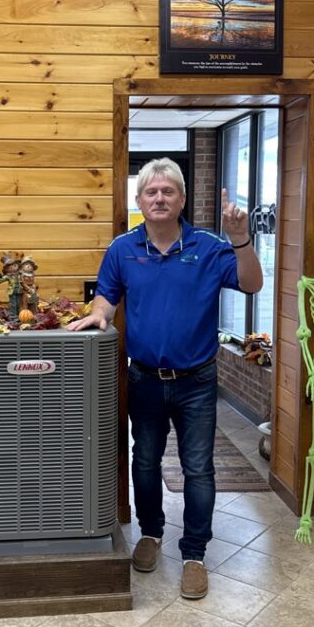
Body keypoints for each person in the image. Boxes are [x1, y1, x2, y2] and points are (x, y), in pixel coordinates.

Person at [68, 157, 263, 599]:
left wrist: (241, 240)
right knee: (144, 461)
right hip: (145, 380)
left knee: (197, 469)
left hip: (197, 380)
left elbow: (251, 284)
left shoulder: (211, 247)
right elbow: (106, 295)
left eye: (167, 192)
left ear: (182, 199)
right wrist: (97, 316)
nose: (159, 198)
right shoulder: (123, 248)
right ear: (139, 201)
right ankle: (151, 535)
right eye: (150, 192)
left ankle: (194, 554)